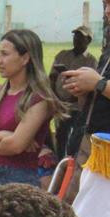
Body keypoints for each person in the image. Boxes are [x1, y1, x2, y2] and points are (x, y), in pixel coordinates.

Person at [0, 29, 62, 190]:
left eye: (5, 54)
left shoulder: (38, 99)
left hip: (20, 182)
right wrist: (4, 135)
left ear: (25, 58)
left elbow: (15, 146)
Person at [49, 26, 97, 159]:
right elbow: (52, 77)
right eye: (75, 36)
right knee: (60, 135)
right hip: (60, 103)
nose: (77, 40)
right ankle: (59, 161)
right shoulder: (62, 55)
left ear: (88, 40)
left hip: (77, 106)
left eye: (81, 37)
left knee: (75, 136)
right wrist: (54, 97)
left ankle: (71, 161)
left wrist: (74, 97)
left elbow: (91, 87)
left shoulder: (91, 61)